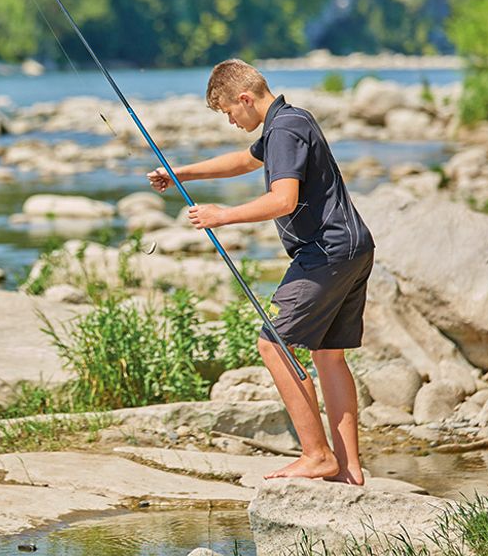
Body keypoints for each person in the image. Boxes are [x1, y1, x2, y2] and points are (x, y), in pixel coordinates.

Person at [147, 58, 375, 485]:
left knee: (274, 345)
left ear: (245, 98)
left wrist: (223, 215)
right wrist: (182, 172)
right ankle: (349, 470)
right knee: (328, 355)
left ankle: (316, 456)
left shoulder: (284, 130)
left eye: (229, 112)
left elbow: (283, 199)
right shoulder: (289, 122)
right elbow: (243, 161)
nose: (231, 121)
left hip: (325, 250)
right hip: (353, 246)